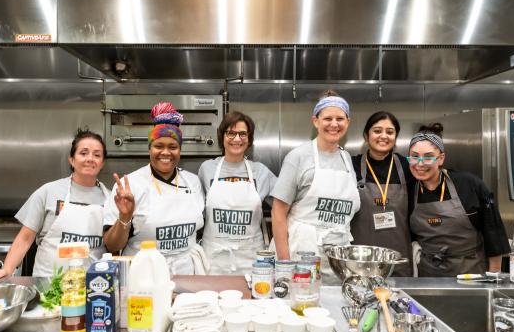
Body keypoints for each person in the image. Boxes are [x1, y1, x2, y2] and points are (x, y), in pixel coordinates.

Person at [0, 129, 109, 280]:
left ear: (102, 163)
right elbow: (25, 238)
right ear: (72, 160)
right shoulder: (48, 191)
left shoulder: (111, 198)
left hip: (94, 284)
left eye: (97, 155)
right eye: (83, 153)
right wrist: (7, 269)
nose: (90, 158)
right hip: (47, 283)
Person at [102, 102, 207, 275]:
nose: (166, 152)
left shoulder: (193, 182)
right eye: (159, 146)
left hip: (188, 274)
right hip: (144, 274)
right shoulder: (130, 185)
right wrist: (125, 216)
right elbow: (112, 245)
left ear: (180, 150)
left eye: (173, 147)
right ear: (149, 148)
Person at [271, 90, 360, 284]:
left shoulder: (346, 160)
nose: (334, 124)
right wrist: (285, 264)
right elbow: (278, 212)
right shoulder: (298, 157)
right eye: (327, 118)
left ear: (348, 122)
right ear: (315, 121)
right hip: (300, 255)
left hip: (337, 260)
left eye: (340, 118)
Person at [407, 123, 510, 277]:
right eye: (414, 156)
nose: (420, 164)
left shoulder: (470, 185)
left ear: (441, 158)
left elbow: (493, 233)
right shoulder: (410, 190)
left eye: (428, 157)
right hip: (428, 276)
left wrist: (493, 277)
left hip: (470, 274)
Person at [198, 111, 277, 274]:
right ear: (222, 137)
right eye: (231, 133)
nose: (236, 139)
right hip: (213, 261)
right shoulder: (207, 169)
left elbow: (284, 206)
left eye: (242, 134)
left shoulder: (260, 172)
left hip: (251, 260)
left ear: (249, 139)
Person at [350, 111, 415, 276]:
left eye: (390, 132)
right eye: (377, 131)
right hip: (360, 259)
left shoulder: (407, 167)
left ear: (396, 136)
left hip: (398, 260)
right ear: (366, 135)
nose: (383, 136)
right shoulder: (352, 165)